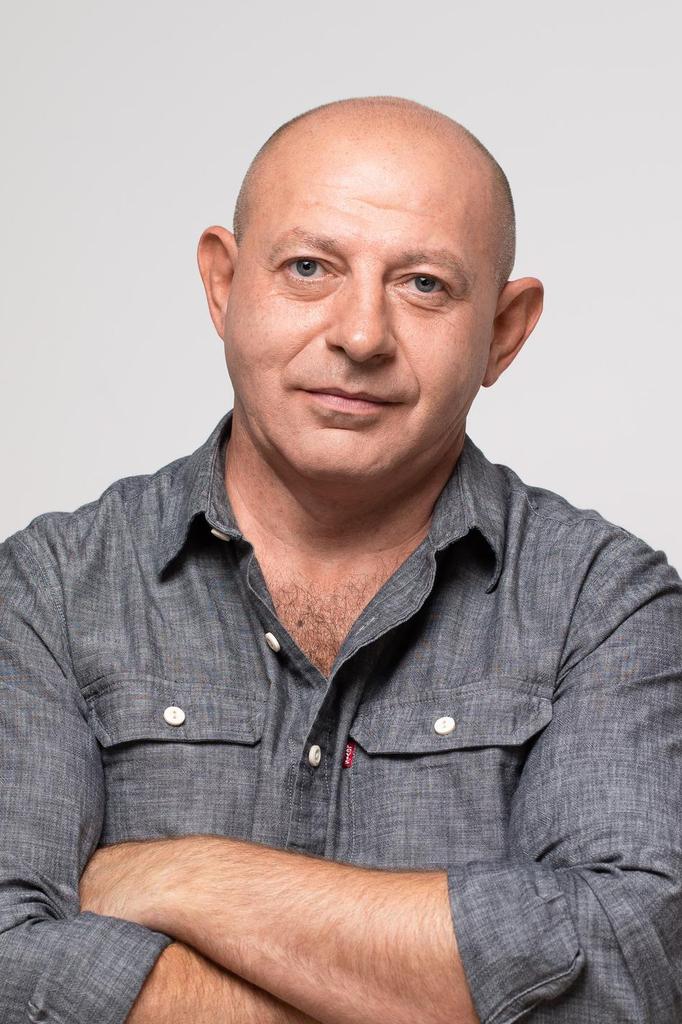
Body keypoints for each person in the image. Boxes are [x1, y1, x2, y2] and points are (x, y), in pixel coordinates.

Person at [1, 94, 680, 1024]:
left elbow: (626, 968)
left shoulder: (605, 604)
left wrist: (185, 876)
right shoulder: (45, 591)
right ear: (222, 286)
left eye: (424, 285)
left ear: (505, 331)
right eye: (310, 268)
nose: (360, 335)